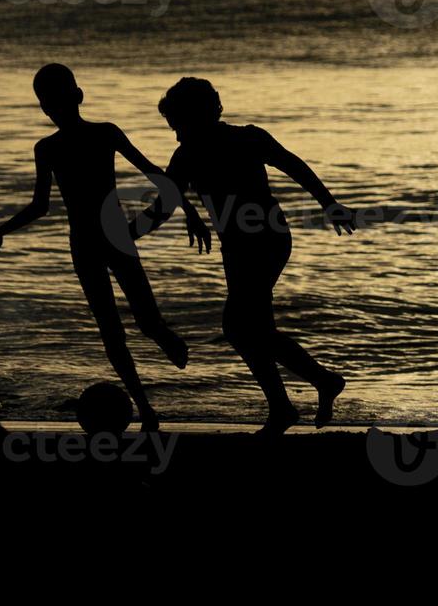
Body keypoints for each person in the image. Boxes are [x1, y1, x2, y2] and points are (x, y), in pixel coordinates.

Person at [131, 77, 355, 436]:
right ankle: (300, 396)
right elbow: (165, 206)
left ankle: (308, 390)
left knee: (240, 327)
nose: (175, 135)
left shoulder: (240, 139)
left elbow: (293, 166)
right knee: (252, 329)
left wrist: (329, 203)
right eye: (173, 128)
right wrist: (128, 234)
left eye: (179, 125)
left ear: (203, 114)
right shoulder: (190, 153)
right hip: (237, 246)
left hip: (266, 239)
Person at [0, 63, 199, 431]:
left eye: (50, 101)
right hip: (93, 242)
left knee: (143, 324)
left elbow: (153, 172)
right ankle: (145, 408)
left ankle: (160, 352)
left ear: (62, 102)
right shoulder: (51, 148)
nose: (51, 108)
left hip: (104, 238)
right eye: (48, 102)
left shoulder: (103, 134)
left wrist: (189, 209)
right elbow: (41, 205)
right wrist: (2, 230)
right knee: (114, 332)